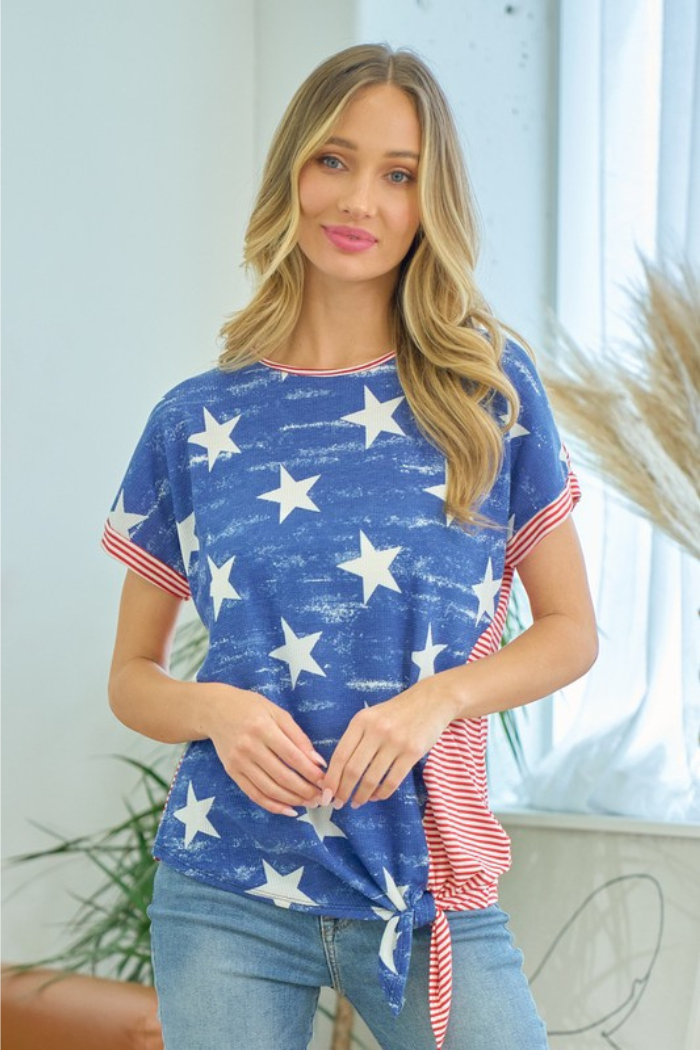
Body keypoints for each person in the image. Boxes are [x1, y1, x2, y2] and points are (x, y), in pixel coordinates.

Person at [103, 43, 598, 1050]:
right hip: (224, 893)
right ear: (293, 171)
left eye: (398, 173)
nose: (359, 199)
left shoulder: (487, 391)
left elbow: (570, 632)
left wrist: (438, 699)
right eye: (334, 160)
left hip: (420, 887)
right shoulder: (195, 420)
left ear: (429, 202)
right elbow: (130, 677)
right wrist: (216, 709)